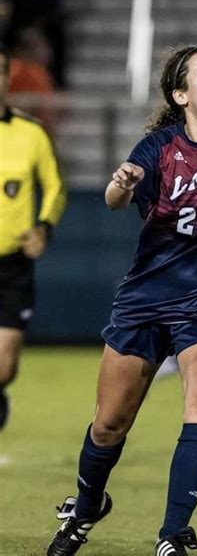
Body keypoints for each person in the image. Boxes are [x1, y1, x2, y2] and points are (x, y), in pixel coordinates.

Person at [46, 45, 197, 556]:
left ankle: (171, 535)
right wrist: (121, 184)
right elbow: (115, 199)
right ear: (181, 95)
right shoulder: (158, 147)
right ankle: (86, 511)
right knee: (109, 424)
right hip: (145, 301)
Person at [0, 45, 66, 430]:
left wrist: (44, 227)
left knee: (5, 367)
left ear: (8, 79)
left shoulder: (31, 133)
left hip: (12, 263)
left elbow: (55, 186)